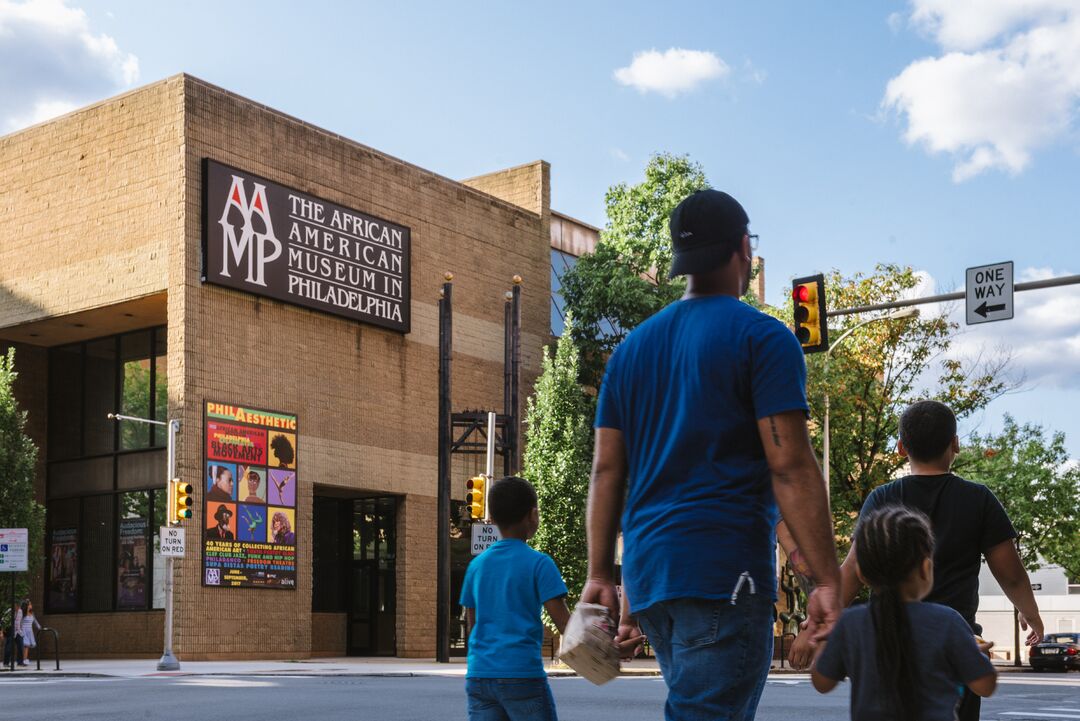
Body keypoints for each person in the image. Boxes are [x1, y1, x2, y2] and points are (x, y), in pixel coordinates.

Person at [582, 189, 842, 720]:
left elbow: (608, 469)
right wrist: (826, 579)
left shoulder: (630, 351)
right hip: (724, 573)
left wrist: (600, 575)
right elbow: (789, 466)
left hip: (653, 578)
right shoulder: (762, 338)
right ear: (743, 248)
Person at [791, 400, 1042, 721]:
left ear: (900, 448)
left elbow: (851, 572)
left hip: (886, 641)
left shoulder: (881, 499)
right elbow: (1012, 575)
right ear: (955, 444)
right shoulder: (979, 500)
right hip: (955, 644)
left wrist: (812, 629)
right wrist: (1031, 614)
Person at [812, 506, 997, 720]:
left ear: (861, 573)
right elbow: (985, 686)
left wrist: (824, 638)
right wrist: (977, 657)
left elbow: (822, 682)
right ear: (925, 568)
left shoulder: (851, 623)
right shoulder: (947, 622)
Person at [460, 476, 571, 721]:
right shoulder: (540, 564)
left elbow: (473, 623)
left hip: (480, 674)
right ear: (533, 515)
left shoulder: (476, 566)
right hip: (522, 674)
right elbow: (564, 624)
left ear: (494, 518)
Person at [20, 600, 40, 666]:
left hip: (29, 631)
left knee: (27, 646)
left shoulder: (32, 613)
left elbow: (35, 621)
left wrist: (39, 627)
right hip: (23, 631)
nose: (31, 606)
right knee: (26, 645)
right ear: (27, 606)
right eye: (30, 604)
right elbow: (19, 622)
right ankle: (24, 660)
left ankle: (24, 660)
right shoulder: (22, 613)